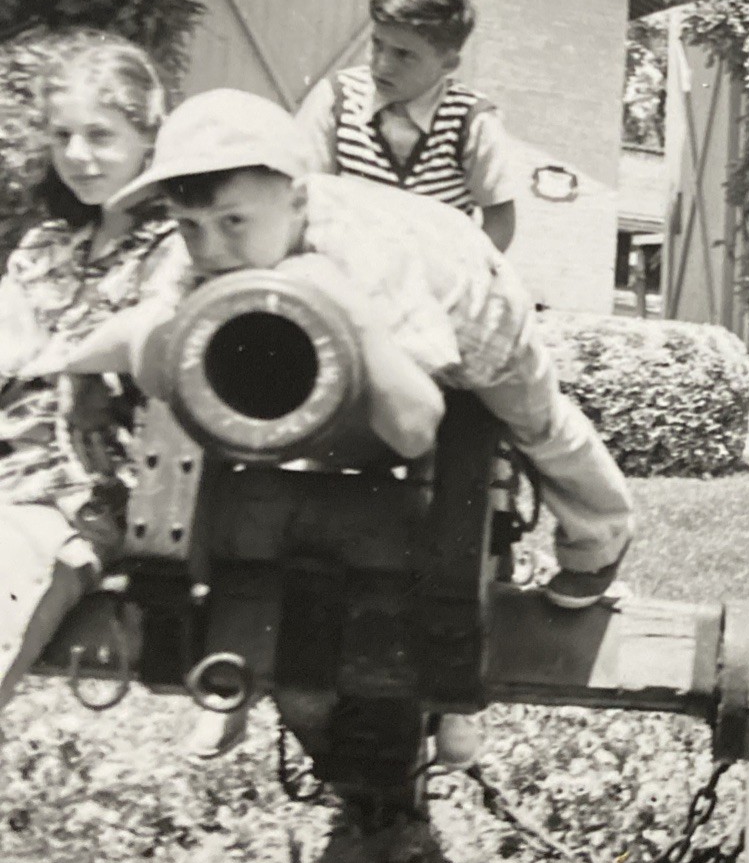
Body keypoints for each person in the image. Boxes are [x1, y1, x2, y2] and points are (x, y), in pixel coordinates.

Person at [68, 87, 634, 768]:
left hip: (472, 317)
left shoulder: (362, 255)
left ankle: (600, 532)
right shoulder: (201, 250)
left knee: (535, 423)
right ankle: (237, 673)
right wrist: (80, 382)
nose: (211, 248)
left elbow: (416, 428)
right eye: (191, 225)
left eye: (234, 222)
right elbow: (146, 334)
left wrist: (357, 321)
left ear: (297, 203)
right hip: (356, 335)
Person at [0, 33, 188, 722]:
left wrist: (63, 358)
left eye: (101, 135)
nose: (78, 155)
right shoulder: (44, 248)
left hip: (75, 492)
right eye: (62, 136)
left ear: (148, 137)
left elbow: (156, 329)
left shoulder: (178, 247)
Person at [295, 0, 520, 251]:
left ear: (448, 63)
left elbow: (500, 221)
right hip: (344, 270)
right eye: (377, 44)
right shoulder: (336, 100)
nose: (382, 64)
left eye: (404, 55)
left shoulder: (472, 123)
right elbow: (301, 192)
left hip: (430, 284)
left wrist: (461, 275)